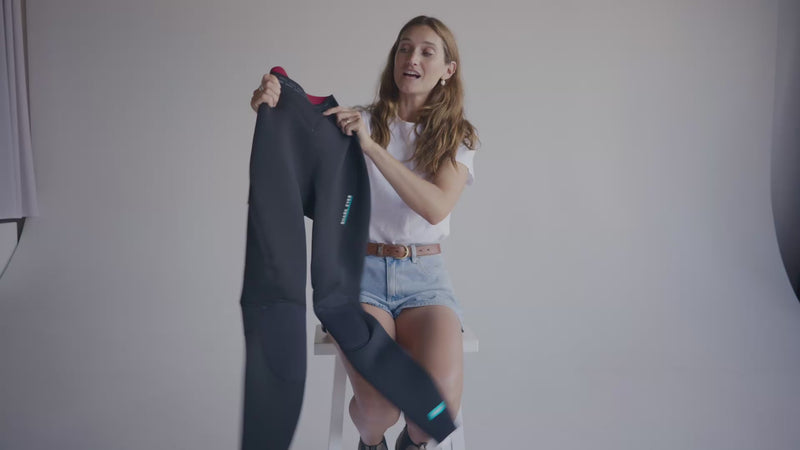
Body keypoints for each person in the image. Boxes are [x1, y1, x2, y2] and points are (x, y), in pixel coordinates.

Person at [250, 15, 478, 450]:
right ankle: (370, 444)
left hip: (425, 281)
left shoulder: (456, 137)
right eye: (404, 48)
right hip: (358, 278)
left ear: (448, 70)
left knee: (434, 415)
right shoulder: (357, 121)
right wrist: (269, 110)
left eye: (426, 51)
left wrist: (371, 148)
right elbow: (297, 171)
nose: (411, 58)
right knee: (378, 411)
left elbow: (434, 207)